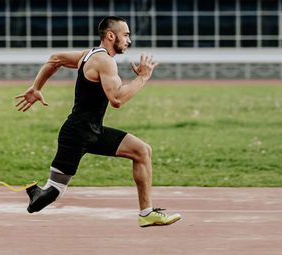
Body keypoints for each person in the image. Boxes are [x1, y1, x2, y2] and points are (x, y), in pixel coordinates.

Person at [15, 16, 181, 227]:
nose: (129, 41)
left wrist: (37, 87)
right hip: (76, 134)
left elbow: (55, 58)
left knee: (142, 151)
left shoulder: (89, 55)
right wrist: (143, 78)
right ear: (111, 36)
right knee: (49, 196)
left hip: (92, 131)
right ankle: (35, 194)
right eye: (126, 35)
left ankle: (147, 213)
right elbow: (117, 99)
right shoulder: (105, 61)